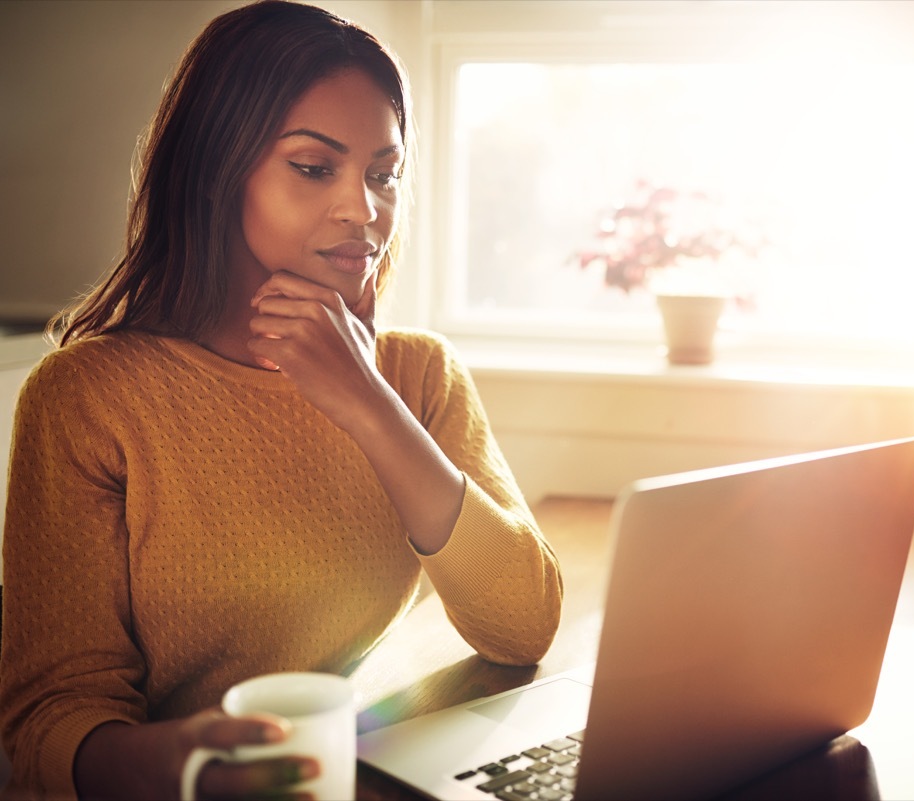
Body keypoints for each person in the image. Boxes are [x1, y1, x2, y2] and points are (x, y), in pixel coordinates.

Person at [0, 2, 563, 799]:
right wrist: (187, 762)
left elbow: (524, 623)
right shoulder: (88, 398)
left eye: (382, 174)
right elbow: (49, 718)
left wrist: (370, 405)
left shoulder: (418, 375)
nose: (363, 210)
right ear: (214, 170)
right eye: (313, 167)